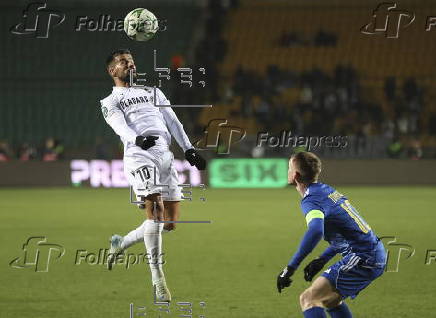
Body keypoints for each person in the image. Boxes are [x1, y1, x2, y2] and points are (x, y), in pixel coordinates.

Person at [100, 49, 206, 302]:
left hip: (165, 156)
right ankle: (158, 281)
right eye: (124, 63)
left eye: (133, 62)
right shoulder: (109, 101)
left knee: (169, 223)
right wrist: (136, 138)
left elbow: (173, 121)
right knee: (156, 214)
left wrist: (189, 149)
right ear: (112, 71)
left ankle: (121, 242)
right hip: (139, 155)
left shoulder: (153, 92)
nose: (131, 66)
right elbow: (119, 126)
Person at [276, 152, 386, 318]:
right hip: (371, 252)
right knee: (330, 300)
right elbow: (346, 233)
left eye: (289, 168)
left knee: (308, 299)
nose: (288, 171)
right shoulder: (325, 190)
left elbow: (316, 231)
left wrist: (291, 268)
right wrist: (322, 259)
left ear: (296, 175)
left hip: (363, 256)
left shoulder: (312, 200)